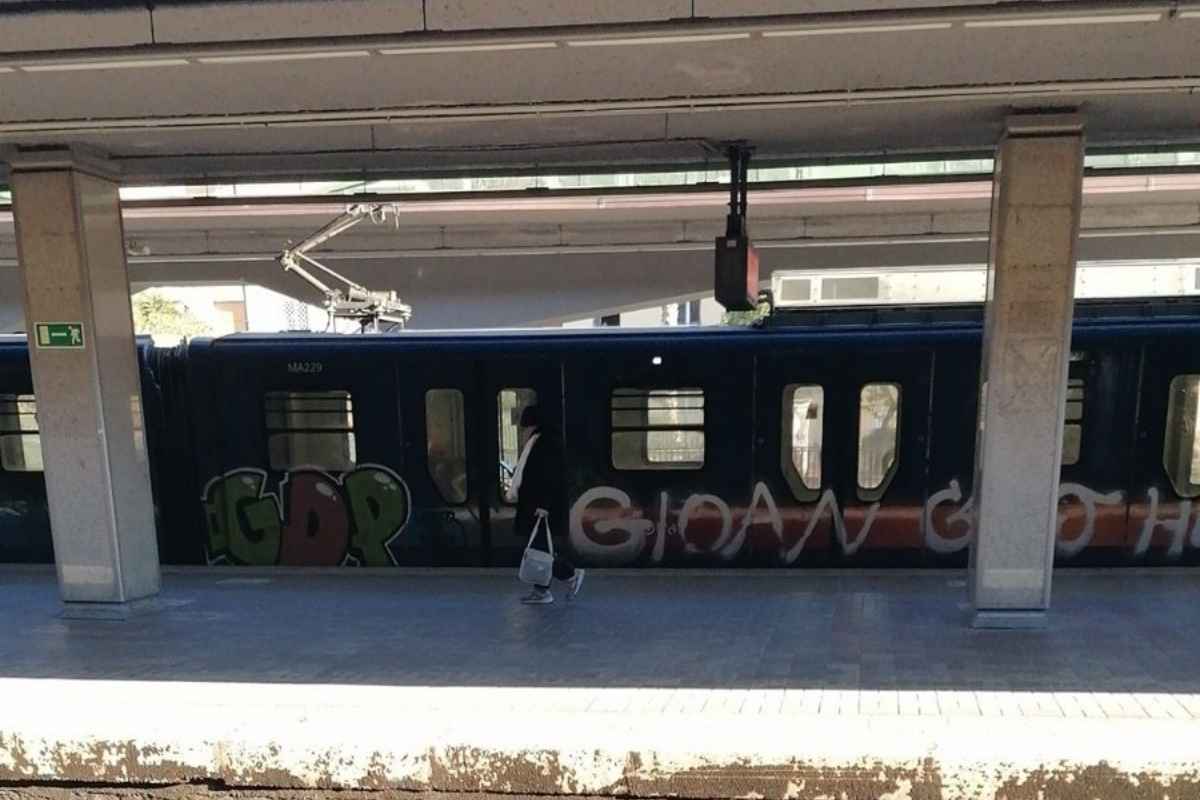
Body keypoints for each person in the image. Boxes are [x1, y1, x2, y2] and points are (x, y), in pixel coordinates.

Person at [509, 404, 584, 604]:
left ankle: (568, 576)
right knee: (540, 550)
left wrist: (544, 505)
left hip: (541, 508)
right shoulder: (543, 441)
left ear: (532, 424)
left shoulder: (545, 443)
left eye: (524, 425)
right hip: (538, 506)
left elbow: (549, 477)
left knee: (541, 550)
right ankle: (545, 589)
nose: (523, 430)